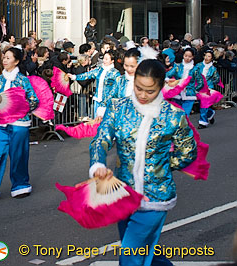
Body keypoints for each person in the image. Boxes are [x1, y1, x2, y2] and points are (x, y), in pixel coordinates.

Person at [89, 59, 197, 265]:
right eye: (138, 88)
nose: (142, 95)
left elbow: (188, 153)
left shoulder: (174, 116)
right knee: (144, 251)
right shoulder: (118, 107)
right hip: (122, 191)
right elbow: (101, 139)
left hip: (156, 196)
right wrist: (98, 165)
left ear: (161, 87)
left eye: (150, 91)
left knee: (130, 254)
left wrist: (162, 165)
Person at [0, 47, 39, 202]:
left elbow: (34, 100)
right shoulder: (0, 79)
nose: (4, 60)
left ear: (16, 61)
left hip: (19, 124)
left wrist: (21, 108)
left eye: (8, 58)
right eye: (4, 57)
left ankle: (20, 185)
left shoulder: (23, 80)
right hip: (1, 124)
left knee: (18, 156)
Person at [69, 51, 121, 118]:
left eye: (106, 59)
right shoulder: (99, 69)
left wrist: (109, 99)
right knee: (95, 120)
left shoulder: (115, 73)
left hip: (108, 101)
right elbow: (88, 75)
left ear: (112, 61)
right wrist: (75, 77)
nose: (104, 61)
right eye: (104, 58)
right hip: (97, 99)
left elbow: (117, 87)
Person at [165, 48, 197, 116]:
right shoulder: (177, 67)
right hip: (177, 92)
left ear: (193, 57)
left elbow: (200, 81)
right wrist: (169, 81)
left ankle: (184, 126)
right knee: (176, 114)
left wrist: (195, 89)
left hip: (189, 94)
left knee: (185, 115)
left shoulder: (195, 69)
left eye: (189, 56)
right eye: (185, 56)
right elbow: (167, 75)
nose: (187, 58)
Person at [194, 50, 219, 129]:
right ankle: (210, 113)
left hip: (208, 88)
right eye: (206, 56)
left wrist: (211, 82)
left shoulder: (213, 69)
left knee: (204, 105)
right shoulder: (198, 65)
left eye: (209, 56)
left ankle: (203, 122)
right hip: (199, 87)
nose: (207, 58)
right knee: (201, 104)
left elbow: (217, 79)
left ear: (211, 58)